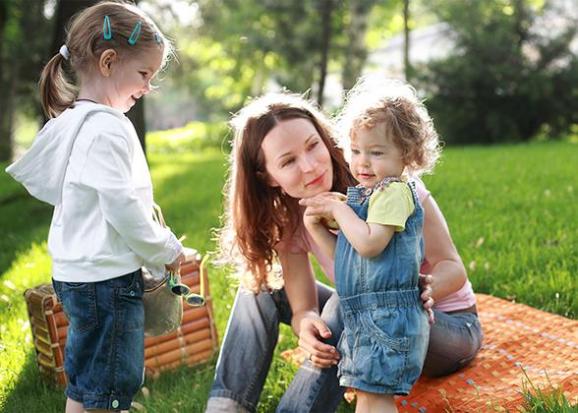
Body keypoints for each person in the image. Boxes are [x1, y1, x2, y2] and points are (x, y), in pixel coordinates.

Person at [206, 91, 482, 413]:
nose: (309, 166)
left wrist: (422, 288)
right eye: (288, 161)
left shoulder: (386, 185)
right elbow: (303, 307)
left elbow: (452, 266)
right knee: (261, 288)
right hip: (369, 317)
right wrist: (307, 325)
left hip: (445, 327)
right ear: (266, 176)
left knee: (344, 303)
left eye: (312, 146)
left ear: (326, 139)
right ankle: (226, 408)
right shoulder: (292, 219)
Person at [6, 2, 184, 412]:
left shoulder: (76, 120)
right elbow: (122, 209)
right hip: (106, 282)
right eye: (144, 74)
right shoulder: (105, 128)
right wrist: (166, 248)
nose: (147, 87)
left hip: (78, 277)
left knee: (88, 379)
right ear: (108, 62)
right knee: (112, 384)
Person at [300, 77, 439, 412]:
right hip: (366, 316)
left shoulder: (394, 192)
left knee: (375, 398)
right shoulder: (369, 197)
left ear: (407, 155)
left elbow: (370, 245)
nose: (362, 163)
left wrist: (337, 209)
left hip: (388, 320)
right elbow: (351, 261)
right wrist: (315, 227)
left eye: (376, 153)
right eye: (356, 151)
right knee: (368, 396)